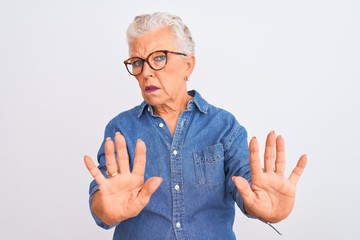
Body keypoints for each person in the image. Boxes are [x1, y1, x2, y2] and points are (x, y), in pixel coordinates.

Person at [84, 12, 307, 240]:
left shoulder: (224, 126)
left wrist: (268, 207)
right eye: (137, 62)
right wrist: (105, 208)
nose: (146, 72)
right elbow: (103, 198)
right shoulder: (121, 129)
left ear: (188, 65)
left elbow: (249, 190)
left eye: (159, 58)